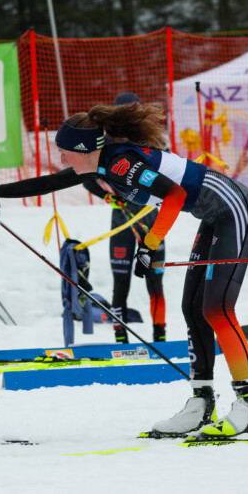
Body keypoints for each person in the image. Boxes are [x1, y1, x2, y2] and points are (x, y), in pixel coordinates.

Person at [0, 101, 248, 439]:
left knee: (216, 309)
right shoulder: (101, 165)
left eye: (64, 152)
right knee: (192, 309)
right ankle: (201, 403)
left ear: (85, 150)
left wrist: (149, 243)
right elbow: (45, 184)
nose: (63, 160)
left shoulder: (120, 163)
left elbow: (173, 195)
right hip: (213, 216)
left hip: (235, 209)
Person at [83, 91, 167, 344]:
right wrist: (109, 196)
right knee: (121, 283)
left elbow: (171, 177)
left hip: (151, 222)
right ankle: (121, 338)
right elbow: (87, 178)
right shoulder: (107, 145)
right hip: (121, 222)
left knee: (155, 281)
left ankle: (160, 337)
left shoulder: (153, 142)